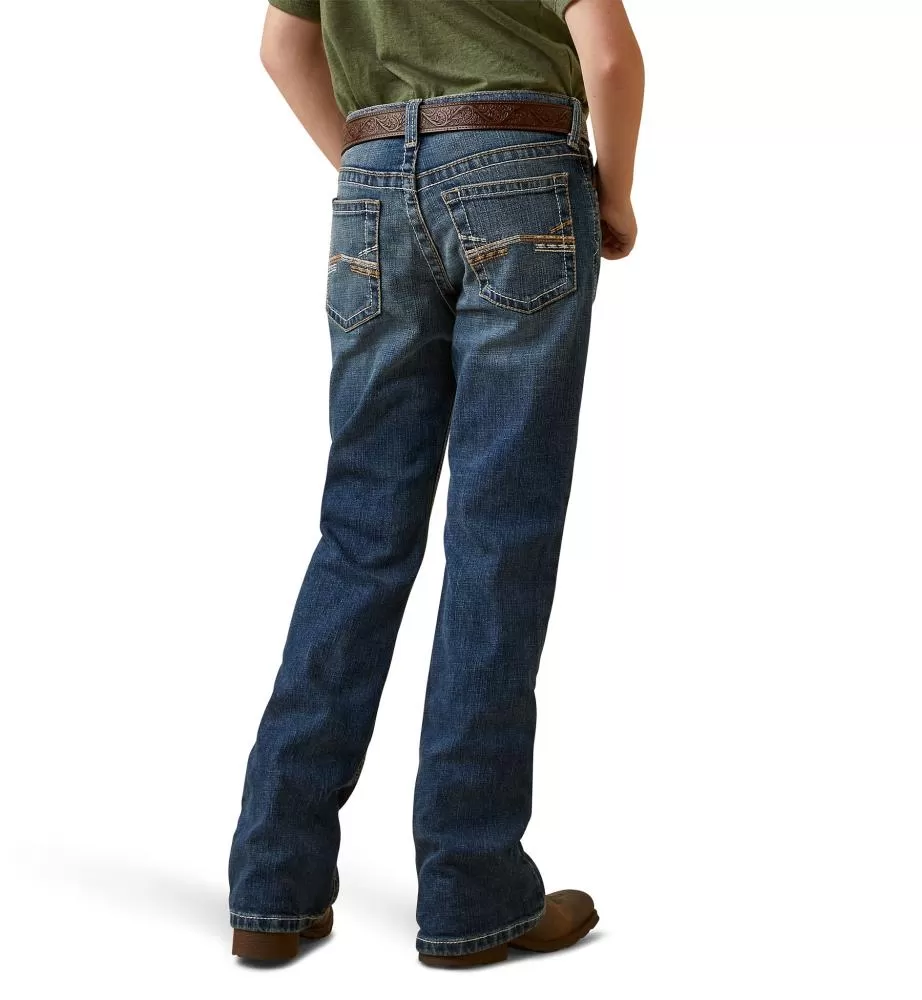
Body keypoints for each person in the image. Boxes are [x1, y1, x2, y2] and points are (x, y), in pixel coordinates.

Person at [228, 0, 643, 968]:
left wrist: (376, 167)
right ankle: (470, 888)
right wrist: (617, 195)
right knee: (498, 539)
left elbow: (282, 47)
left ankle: (274, 885)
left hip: (371, 183)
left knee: (359, 538)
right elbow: (612, 58)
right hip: (519, 174)